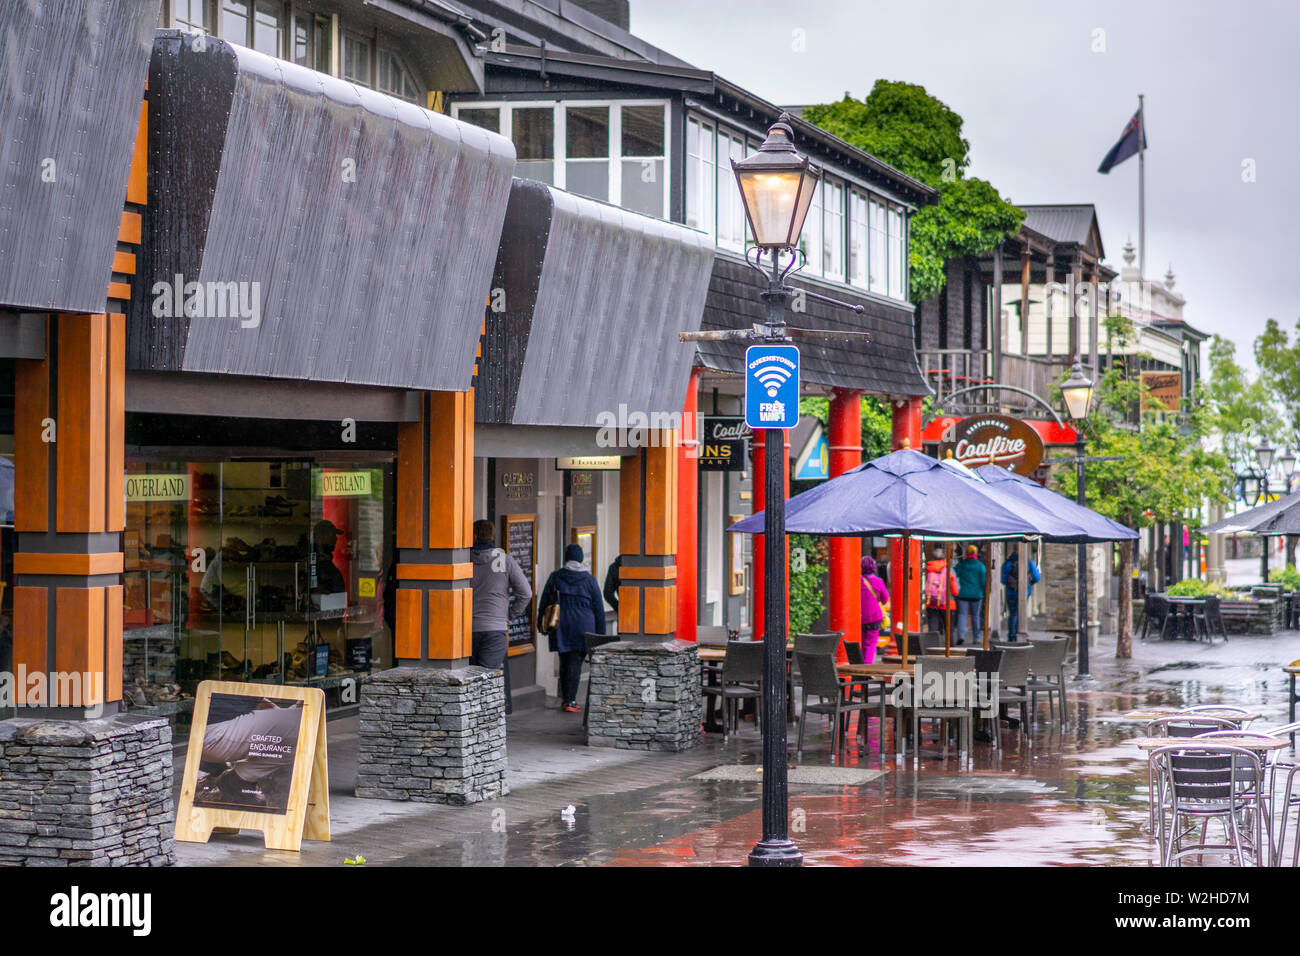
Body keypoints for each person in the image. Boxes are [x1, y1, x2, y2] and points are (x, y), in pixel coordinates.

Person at [470, 519, 533, 716]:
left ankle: (470, 719)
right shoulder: (505, 559)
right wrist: (509, 615)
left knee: (468, 678)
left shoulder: (463, 558)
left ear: (472, 536)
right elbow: (526, 593)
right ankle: (487, 723)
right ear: (492, 536)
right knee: (489, 678)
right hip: (495, 628)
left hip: (465, 628)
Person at [538, 543, 605, 713]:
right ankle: (570, 701)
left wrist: (541, 623)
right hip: (583, 626)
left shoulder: (556, 577)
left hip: (561, 624)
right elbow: (599, 610)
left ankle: (566, 698)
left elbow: (545, 602)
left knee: (565, 661)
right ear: (581, 559)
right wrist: (600, 636)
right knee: (575, 663)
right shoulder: (589, 580)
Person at [1000, 548, 1041, 640]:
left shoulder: (1008, 563)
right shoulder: (1029, 562)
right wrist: (1028, 583)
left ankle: (1011, 635)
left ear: (1013, 550)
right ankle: (1020, 633)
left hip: (1010, 593)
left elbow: (1002, 579)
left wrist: (1011, 584)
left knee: (1013, 614)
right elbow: (1037, 577)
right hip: (1025, 592)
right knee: (1021, 613)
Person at [954, 544, 987, 646]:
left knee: (962, 615)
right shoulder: (981, 566)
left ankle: (961, 636)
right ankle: (976, 638)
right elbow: (983, 582)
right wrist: (984, 591)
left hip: (963, 594)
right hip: (977, 595)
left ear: (967, 553)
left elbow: (953, 574)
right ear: (976, 553)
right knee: (976, 616)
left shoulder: (961, 565)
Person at [859, 556, 890, 664]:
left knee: (861, 642)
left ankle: (859, 666)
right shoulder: (878, 581)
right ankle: (867, 668)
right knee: (871, 644)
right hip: (874, 616)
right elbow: (885, 599)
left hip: (859, 616)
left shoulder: (857, 580)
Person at [923, 546, 959, 638]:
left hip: (931, 602)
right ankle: (950, 648)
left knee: (933, 627)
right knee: (949, 628)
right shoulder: (949, 571)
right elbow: (955, 591)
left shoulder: (929, 569)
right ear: (944, 558)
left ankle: (932, 646)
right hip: (947, 603)